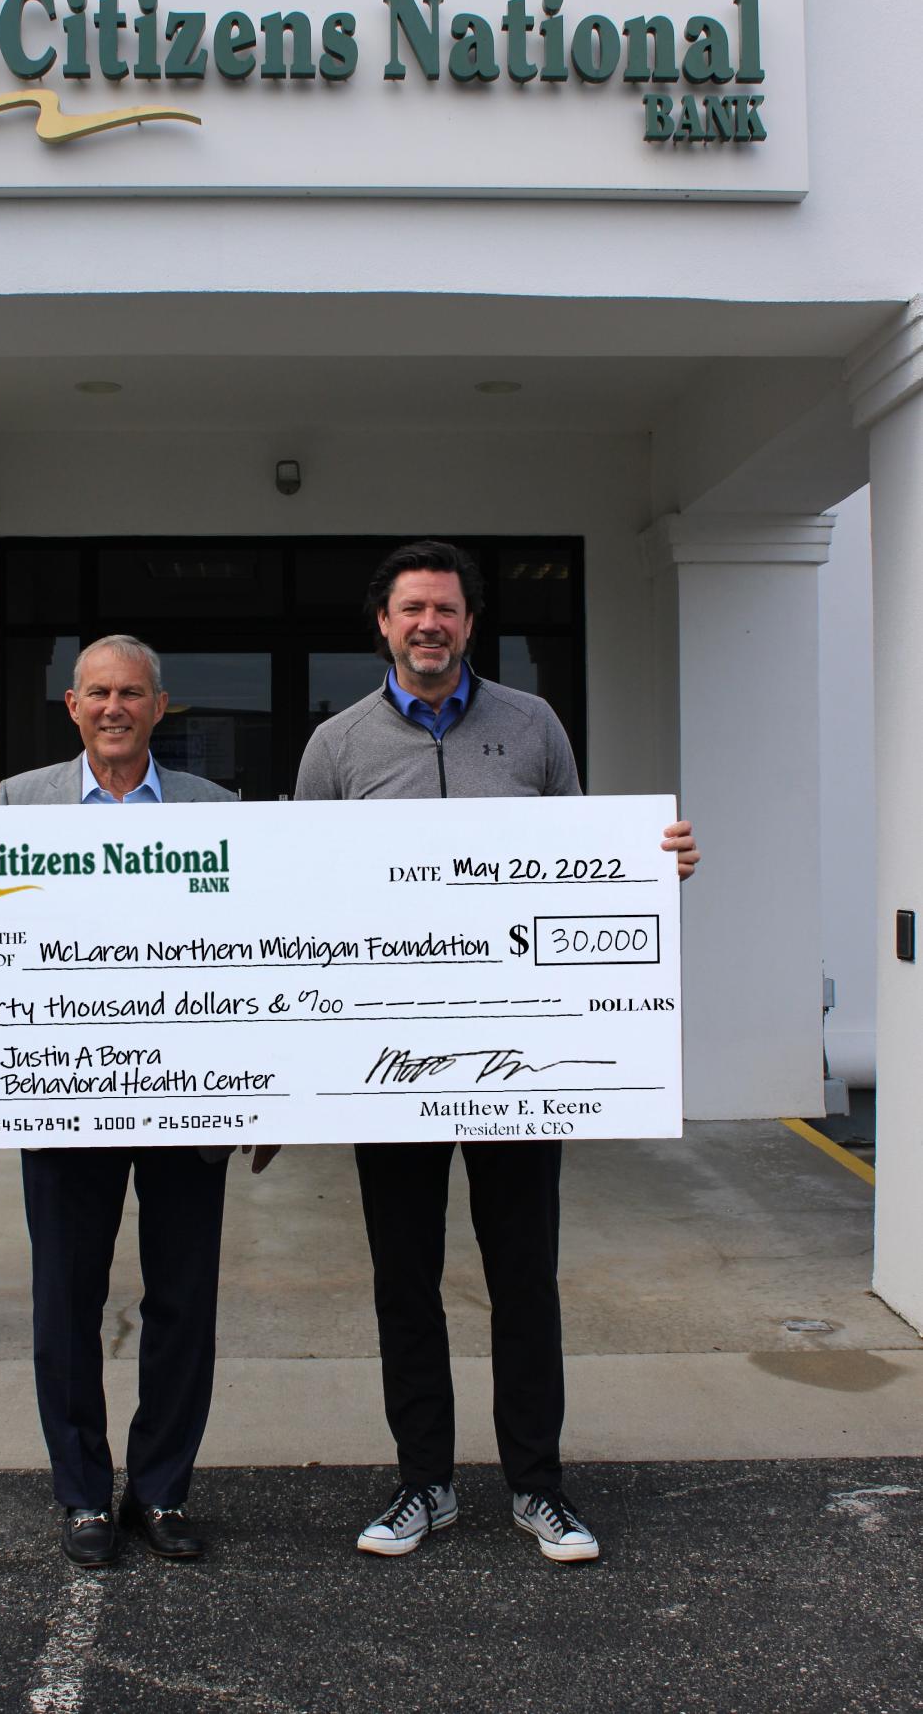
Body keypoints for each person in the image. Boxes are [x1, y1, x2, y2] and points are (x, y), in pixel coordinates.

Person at [294, 541, 699, 1565]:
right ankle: (423, 1483)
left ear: (472, 625)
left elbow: (582, 871)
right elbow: (297, 903)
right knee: (405, 1279)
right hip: (388, 1070)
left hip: (521, 1065)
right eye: (411, 608)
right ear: (381, 623)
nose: (430, 624)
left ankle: (537, 1487)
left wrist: (654, 873)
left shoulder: (534, 728)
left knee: (524, 1277)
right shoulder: (337, 748)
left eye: (448, 609)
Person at [0, 634, 239, 1570]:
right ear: (72, 707)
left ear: (162, 707)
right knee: (65, 1304)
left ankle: (161, 1490)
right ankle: (85, 1496)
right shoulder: (17, 803)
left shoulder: (218, 809)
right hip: (61, 1099)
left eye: (133, 693)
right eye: (98, 693)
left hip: (186, 1100)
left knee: (184, 1307)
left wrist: (267, 1091)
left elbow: (258, 945)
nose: (116, 707)